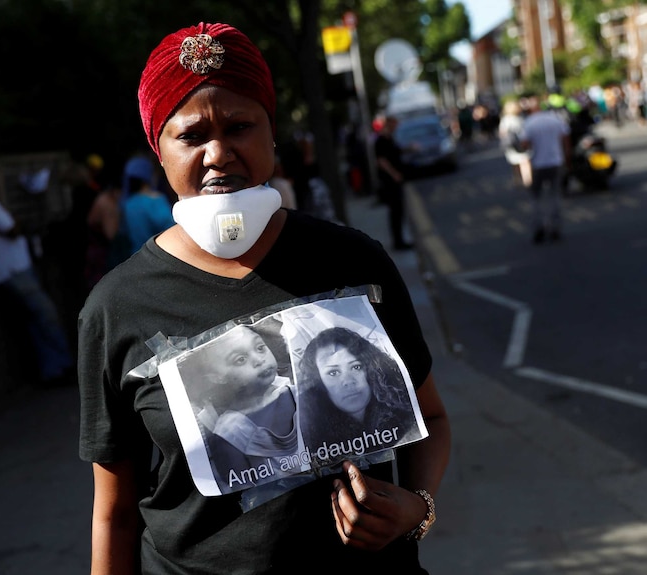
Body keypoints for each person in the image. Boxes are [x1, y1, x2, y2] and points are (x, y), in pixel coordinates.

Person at [78, 22, 450, 574]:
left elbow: (432, 419)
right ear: (159, 149)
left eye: (239, 126)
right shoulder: (116, 307)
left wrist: (416, 509)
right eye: (192, 135)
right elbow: (114, 514)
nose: (218, 153)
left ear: (271, 133)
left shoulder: (355, 261)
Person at [0, 162, 75, 386]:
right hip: (13, 272)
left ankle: (52, 370)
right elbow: (11, 228)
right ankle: (66, 366)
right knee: (47, 316)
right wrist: (17, 220)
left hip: (12, 271)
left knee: (36, 321)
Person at [178, 324, 298, 492]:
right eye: (240, 360)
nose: (258, 360)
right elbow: (243, 493)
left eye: (260, 347)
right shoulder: (229, 434)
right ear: (216, 377)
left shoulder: (295, 393)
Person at [297, 327, 422, 469]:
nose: (348, 381)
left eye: (356, 367)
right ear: (318, 382)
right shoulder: (310, 438)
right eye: (333, 372)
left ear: (370, 369)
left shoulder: (406, 415)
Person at [519, 96, 571, 244]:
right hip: (555, 161)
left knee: (536, 198)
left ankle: (539, 227)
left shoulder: (529, 123)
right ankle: (555, 227)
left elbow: (525, 144)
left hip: (538, 164)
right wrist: (567, 158)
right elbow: (566, 138)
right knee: (554, 195)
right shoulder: (555, 119)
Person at [119, 154, 175, 255]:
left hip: (134, 258)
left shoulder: (127, 203)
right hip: (157, 257)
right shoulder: (156, 200)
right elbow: (170, 229)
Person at [374, 115, 414, 250]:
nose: (396, 127)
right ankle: (398, 241)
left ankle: (400, 239)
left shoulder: (389, 138)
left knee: (399, 211)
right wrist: (394, 174)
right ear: (389, 124)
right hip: (390, 182)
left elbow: (396, 152)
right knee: (395, 211)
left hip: (395, 180)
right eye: (394, 124)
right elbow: (381, 161)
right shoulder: (380, 140)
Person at [498, 100, 532, 188]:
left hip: (511, 144)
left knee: (515, 163)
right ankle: (527, 179)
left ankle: (517, 179)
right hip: (521, 143)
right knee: (525, 162)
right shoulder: (520, 118)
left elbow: (502, 133)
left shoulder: (505, 120)